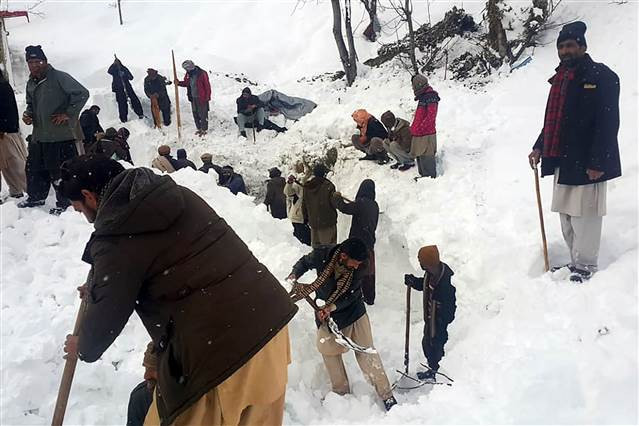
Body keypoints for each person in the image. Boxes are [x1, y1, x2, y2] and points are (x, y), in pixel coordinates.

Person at [60, 154, 298, 426]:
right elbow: (178, 269)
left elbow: (104, 322)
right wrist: (103, 284)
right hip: (269, 326)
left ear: (89, 196)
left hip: (218, 355)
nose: (84, 218)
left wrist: (82, 345)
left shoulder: (116, 236)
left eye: (79, 209)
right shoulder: (177, 197)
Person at [528, 21, 621, 283]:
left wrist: (598, 161)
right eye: (561, 47)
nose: (565, 51)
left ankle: (586, 266)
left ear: (582, 46)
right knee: (567, 215)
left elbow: (608, 122)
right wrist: (539, 146)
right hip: (562, 157)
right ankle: (575, 261)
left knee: (585, 216)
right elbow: (554, 121)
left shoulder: (602, 76)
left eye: (570, 45)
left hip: (588, 160)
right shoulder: (560, 79)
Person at [288, 238, 397, 412]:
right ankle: (341, 392)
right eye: (354, 262)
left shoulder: (361, 266)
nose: (357, 266)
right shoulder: (322, 254)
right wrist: (295, 274)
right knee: (327, 351)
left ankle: (386, 395)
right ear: (343, 256)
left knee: (367, 353)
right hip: (326, 313)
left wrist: (331, 307)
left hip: (353, 313)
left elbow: (352, 295)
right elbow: (304, 262)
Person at [19, 45, 89, 215]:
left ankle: (66, 203)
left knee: (61, 172)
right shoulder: (31, 82)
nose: (34, 65)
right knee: (35, 169)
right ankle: (36, 197)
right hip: (39, 136)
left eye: (37, 61)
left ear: (45, 61)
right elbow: (30, 104)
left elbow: (82, 93)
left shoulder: (59, 77)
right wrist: (28, 114)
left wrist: (68, 113)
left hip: (60, 136)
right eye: (30, 62)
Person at [404, 245, 456, 381]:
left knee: (437, 347)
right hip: (430, 319)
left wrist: (443, 320)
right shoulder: (431, 273)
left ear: (428, 262)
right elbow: (425, 285)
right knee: (427, 345)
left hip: (440, 323)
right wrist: (414, 282)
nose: (419, 263)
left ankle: (440, 373)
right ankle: (433, 369)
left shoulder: (446, 281)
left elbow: (451, 307)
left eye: (421, 261)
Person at [333, 179, 379, 305]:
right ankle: (369, 297)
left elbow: (344, 208)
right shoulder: (374, 205)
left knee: (354, 270)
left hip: (357, 244)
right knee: (369, 272)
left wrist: (337, 198)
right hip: (369, 242)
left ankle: (352, 294)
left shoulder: (361, 203)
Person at [0, 71, 27, 201]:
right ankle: (16, 190)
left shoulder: (3, 87)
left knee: (15, 163)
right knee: (8, 165)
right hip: (6, 130)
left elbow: (6, 109)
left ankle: (31, 190)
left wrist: (3, 127)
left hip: (6, 132)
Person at [410, 74, 440, 178]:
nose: (413, 88)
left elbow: (431, 116)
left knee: (427, 155)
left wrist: (420, 128)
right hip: (420, 132)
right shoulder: (423, 97)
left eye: (414, 86)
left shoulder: (431, 97)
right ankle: (423, 175)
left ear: (419, 85)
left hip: (426, 133)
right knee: (420, 154)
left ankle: (429, 177)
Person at [302, 164, 338, 247]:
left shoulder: (307, 186)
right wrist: (337, 197)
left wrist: (305, 218)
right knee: (329, 249)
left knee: (317, 249)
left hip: (314, 222)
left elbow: (304, 204)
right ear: (324, 174)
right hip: (327, 222)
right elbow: (334, 204)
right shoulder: (329, 186)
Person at [176, 60, 211, 136]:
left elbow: (207, 86)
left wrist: (207, 97)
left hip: (201, 97)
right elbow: (186, 83)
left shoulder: (202, 73)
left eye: (187, 68)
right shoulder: (188, 74)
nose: (186, 70)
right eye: (185, 69)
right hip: (192, 97)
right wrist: (178, 83)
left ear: (191, 66)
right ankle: (199, 128)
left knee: (203, 114)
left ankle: (204, 129)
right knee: (195, 113)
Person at [107, 58, 144, 122]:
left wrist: (124, 74)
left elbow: (131, 77)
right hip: (119, 89)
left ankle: (140, 113)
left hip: (127, 87)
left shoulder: (124, 68)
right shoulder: (114, 70)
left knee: (134, 100)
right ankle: (123, 118)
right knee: (122, 104)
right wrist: (113, 65)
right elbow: (109, 71)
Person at [284, 163, 311, 246]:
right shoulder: (297, 185)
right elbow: (288, 192)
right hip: (297, 217)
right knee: (299, 242)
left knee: (307, 241)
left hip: (308, 218)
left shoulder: (311, 182)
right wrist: (289, 183)